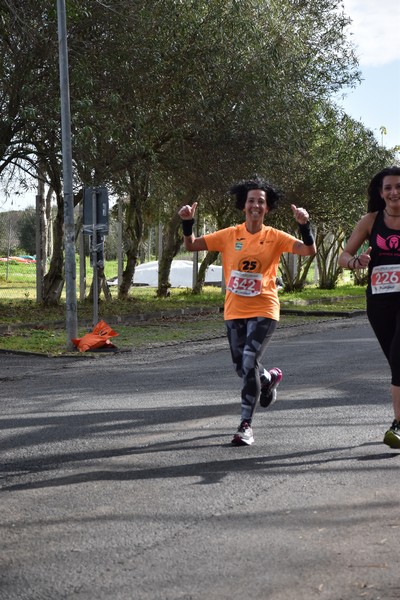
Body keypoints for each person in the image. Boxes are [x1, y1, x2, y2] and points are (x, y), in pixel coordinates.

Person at [178, 176, 316, 446]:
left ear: (267, 208)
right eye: (251, 200)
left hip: (264, 306)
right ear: (244, 205)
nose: (255, 205)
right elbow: (191, 245)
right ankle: (269, 378)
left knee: (250, 361)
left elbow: (309, 250)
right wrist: (187, 223)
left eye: (261, 202)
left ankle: (245, 426)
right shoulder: (229, 235)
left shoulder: (274, 237)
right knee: (243, 368)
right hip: (234, 309)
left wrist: (305, 225)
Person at [338, 165, 400, 449]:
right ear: (381, 192)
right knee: (395, 362)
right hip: (379, 300)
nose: (394, 192)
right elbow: (344, 255)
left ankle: (398, 426)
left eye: (398, 186)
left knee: (399, 359)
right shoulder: (371, 220)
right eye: (388, 187)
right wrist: (355, 262)